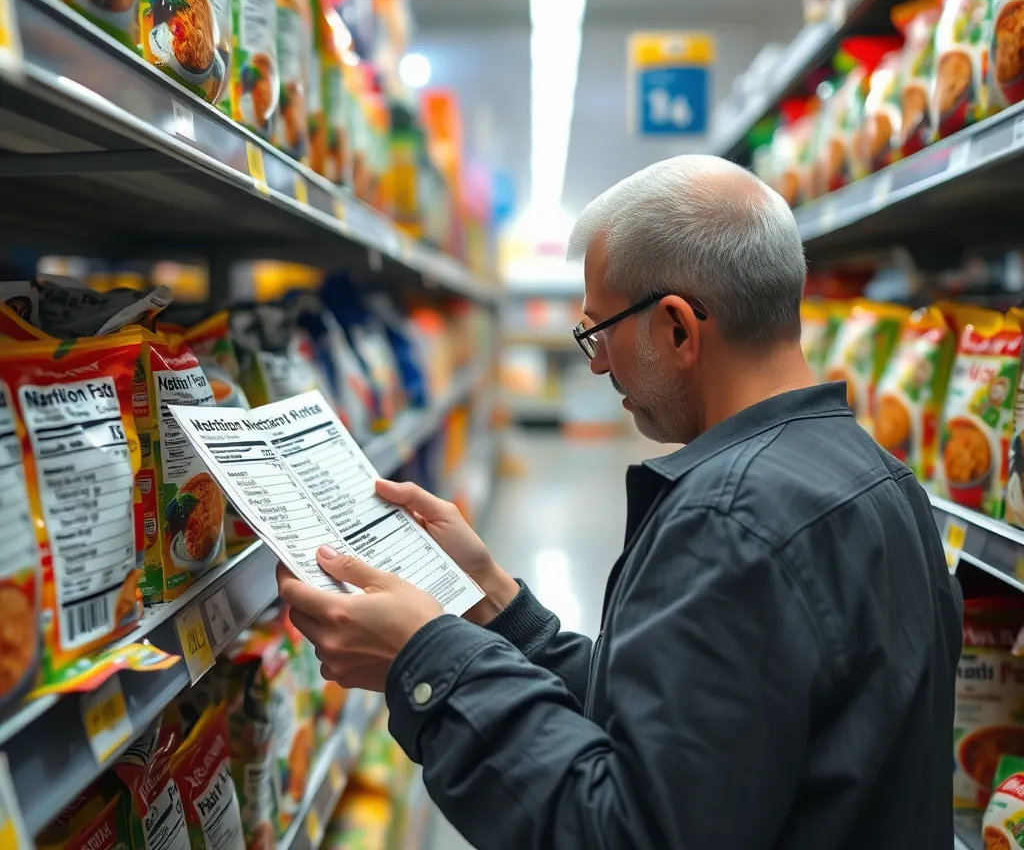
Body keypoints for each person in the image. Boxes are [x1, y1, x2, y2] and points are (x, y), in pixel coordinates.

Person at [278, 155, 962, 849]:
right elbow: (700, 736)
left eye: (597, 331)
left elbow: (622, 832)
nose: (598, 363)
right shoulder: (880, 478)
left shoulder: (727, 520)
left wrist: (425, 661)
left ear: (676, 328)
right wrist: (496, 606)